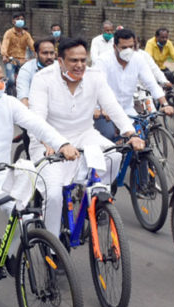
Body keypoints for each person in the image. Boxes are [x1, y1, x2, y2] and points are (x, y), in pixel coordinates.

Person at [0, 59, 78, 297]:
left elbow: (36, 124)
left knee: (26, 214)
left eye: (2, 79)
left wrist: (63, 143)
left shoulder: (9, 103)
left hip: (1, 172)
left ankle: (10, 255)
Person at [28, 37, 144, 241]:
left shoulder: (95, 76)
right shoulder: (43, 78)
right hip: (49, 141)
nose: (80, 65)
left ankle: (95, 200)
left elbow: (113, 107)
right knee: (54, 195)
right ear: (60, 61)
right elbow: (37, 119)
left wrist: (131, 133)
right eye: (74, 60)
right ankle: (52, 244)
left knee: (114, 156)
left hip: (84, 134)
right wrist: (52, 144)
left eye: (83, 60)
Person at [92, 29, 174, 140]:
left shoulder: (138, 59)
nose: (128, 50)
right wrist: (99, 107)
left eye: (131, 47)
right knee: (109, 142)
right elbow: (97, 86)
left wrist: (165, 104)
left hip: (128, 110)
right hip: (105, 112)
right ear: (114, 47)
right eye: (124, 48)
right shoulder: (103, 60)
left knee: (140, 140)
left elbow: (151, 83)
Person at [1, 13, 35, 94]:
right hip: (10, 60)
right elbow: (5, 44)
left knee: (25, 79)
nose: (20, 21)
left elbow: (33, 45)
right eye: (17, 19)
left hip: (23, 61)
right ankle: (5, 92)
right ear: (13, 21)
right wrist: (4, 55)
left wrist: (36, 53)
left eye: (22, 19)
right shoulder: (9, 33)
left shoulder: (26, 34)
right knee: (11, 80)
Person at [16, 37, 56, 106]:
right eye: (45, 53)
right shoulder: (26, 69)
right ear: (36, 54)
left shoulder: (61, 67)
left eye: (52, 53)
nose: (49, 57)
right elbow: (23, 96)